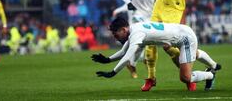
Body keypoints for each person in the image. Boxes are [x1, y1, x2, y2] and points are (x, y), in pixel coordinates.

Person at [92, 17, 221, 91]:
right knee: (194, 54)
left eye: (116, 34)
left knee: (185, 78)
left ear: (124, 29)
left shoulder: (137, 34)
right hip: (182, 32)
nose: (115, 37)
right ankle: (213, 65)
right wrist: (107, 60)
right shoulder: (135, 29)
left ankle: (210, 75)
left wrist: (112, 72)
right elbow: (123, 51)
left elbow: (127, 57)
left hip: (185, 39)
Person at [115, 0, 161, 78]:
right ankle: (141, 60)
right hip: (137, 15)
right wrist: (128, 2)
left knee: (146, 42)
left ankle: (133, 63)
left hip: (150, 16)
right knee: (141, 40)